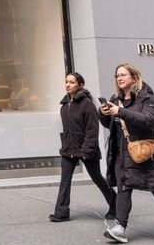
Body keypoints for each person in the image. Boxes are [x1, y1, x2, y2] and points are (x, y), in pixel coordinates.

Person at [99, 63, 154, 243]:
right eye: (117, 76)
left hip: (145, 152)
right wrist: (103, 114)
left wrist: (121, 112)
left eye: (123, 75)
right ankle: (120, 228)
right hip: (122, 153)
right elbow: (111, 125)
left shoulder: (147, 98)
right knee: (124, 187)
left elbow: (149, 120)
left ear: (134, 77)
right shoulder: (116, 98)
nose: (119, 78)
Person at [49, 72, 115, 223]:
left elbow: (92, 130)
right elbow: (67, 130)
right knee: (65, 181)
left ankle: (115, 204)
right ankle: (61, 212)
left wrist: (87, 150)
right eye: (66, 81)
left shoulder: (87, 104)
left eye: (72, 82)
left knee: (97, 178)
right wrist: (65, 145)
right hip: (69, 150)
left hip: (86, 150)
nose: (68, 84)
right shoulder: (65, 105)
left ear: (80, 85)